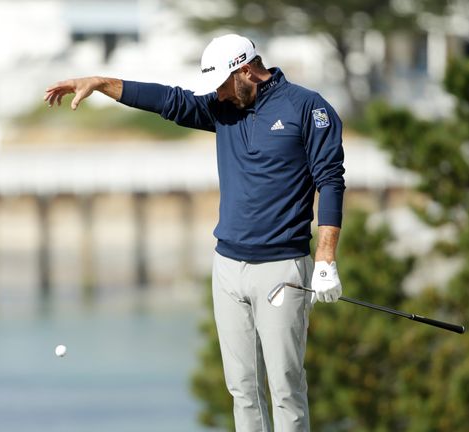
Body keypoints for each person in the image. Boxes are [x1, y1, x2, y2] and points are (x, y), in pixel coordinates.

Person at [44, 34, 345, 431]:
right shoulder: (224, 109)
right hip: (227, 267)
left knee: (286, 386)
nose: (216, 95)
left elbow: (331, 180)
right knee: (242, 388)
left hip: (281, 269)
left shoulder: (307, 108)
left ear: (245, 71)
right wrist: (101, 83)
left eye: (221, 84)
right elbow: (168, 100)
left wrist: (325, 259)